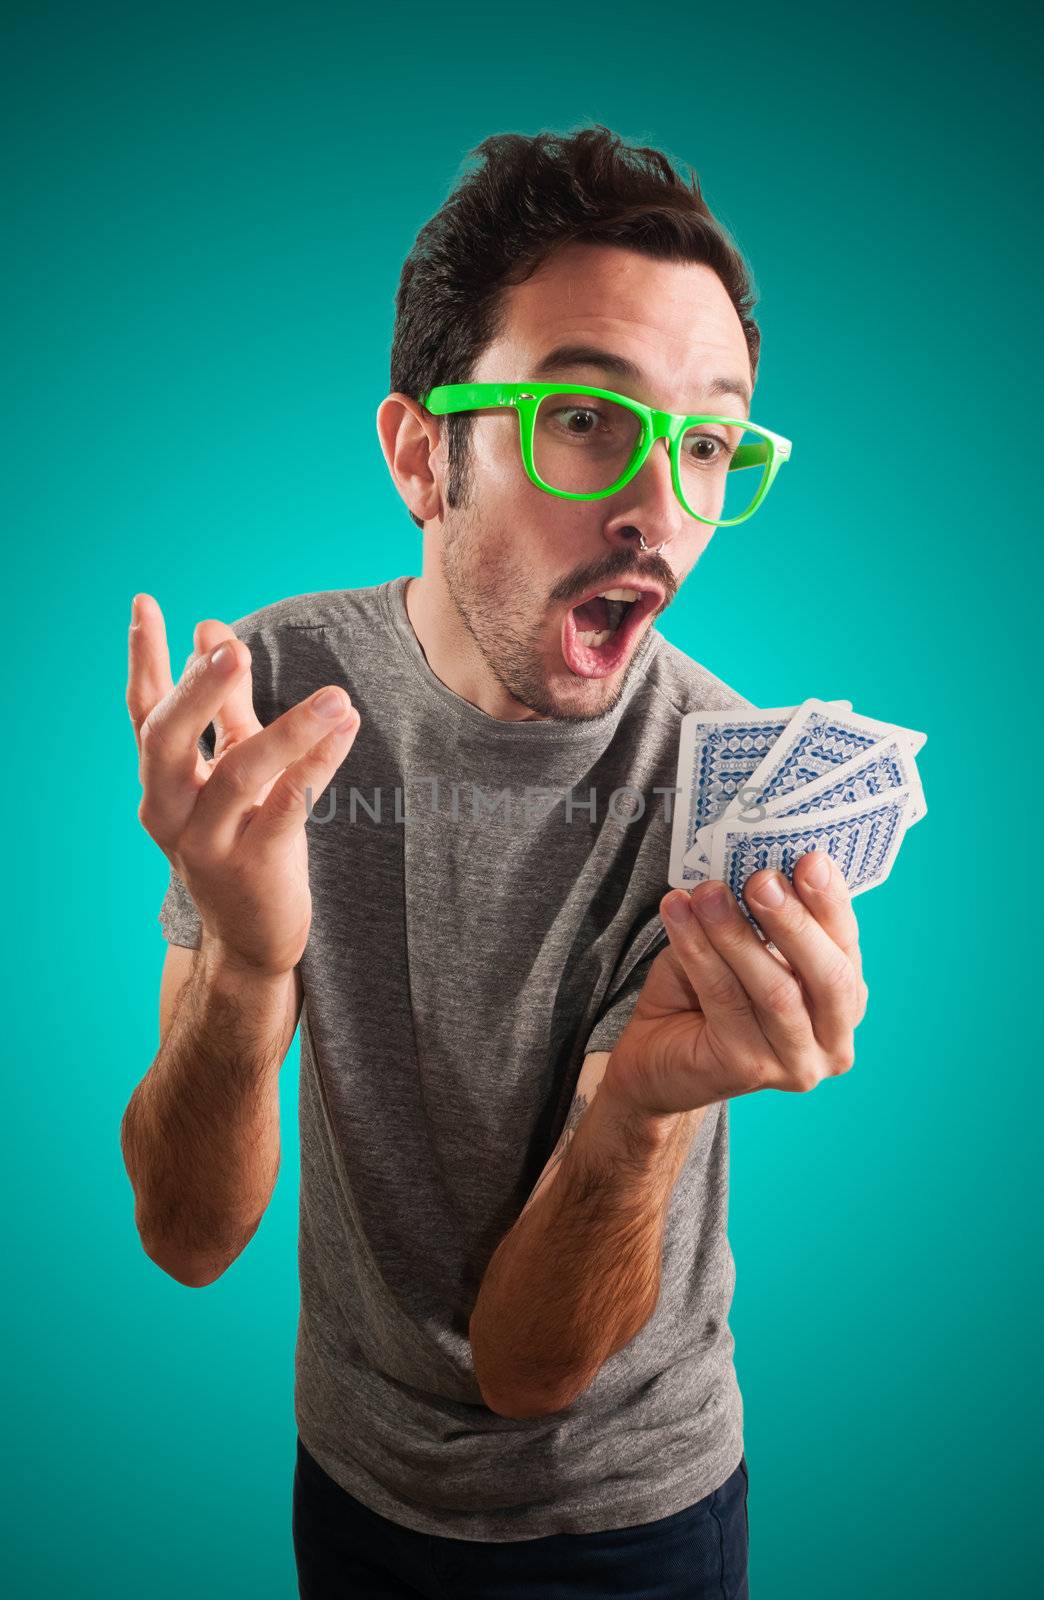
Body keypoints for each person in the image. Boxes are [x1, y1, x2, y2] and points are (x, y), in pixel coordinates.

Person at [122, 123, 866, 1598]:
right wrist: (252, 962)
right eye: (587, 420)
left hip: (640, 1512)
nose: (657, 508)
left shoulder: (718, 792)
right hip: (351, 1478)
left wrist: (641, 1112)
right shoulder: (275, 693)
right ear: (422, 455)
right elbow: (188, 1236)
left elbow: (532, 1374)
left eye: (705, 443)